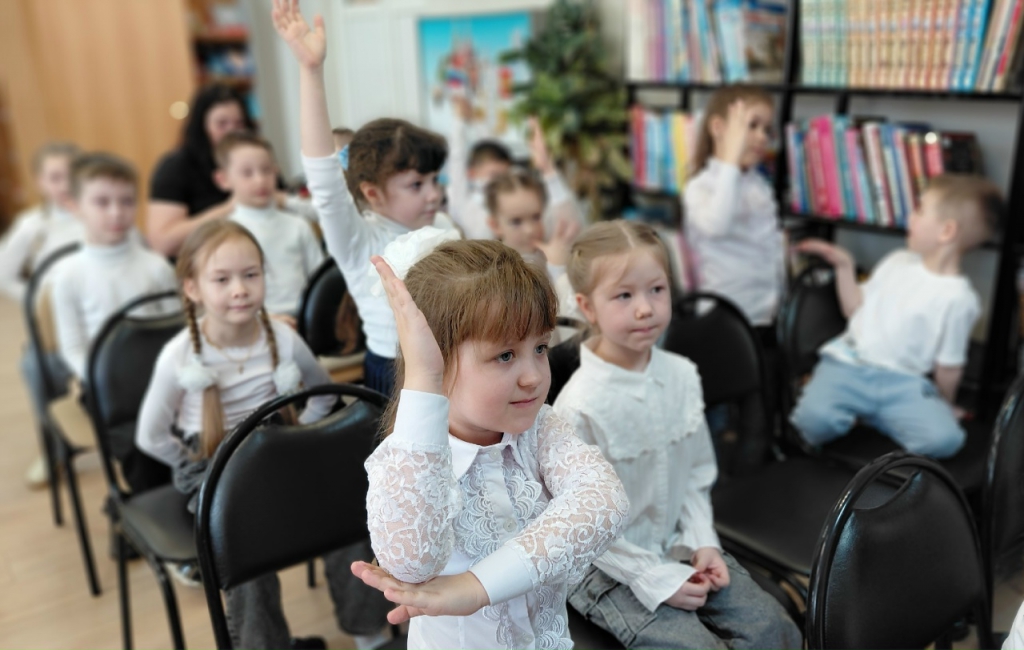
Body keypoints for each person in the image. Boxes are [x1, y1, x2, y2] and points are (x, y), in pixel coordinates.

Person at [349, 237, 629, 649]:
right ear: (437, 359)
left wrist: (476, 586)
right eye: (505, 356)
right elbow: (411, 564)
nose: (534, 376)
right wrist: (424, 379)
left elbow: (605, 502)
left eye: (540, 348)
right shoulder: (407, 461)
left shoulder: (540, 428)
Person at [136, 220, 392, 649]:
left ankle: (369, 632)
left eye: (250, 274)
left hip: (280, 451)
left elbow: (322, 392)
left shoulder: (283, 338)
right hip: (213, 462)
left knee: (350, 507)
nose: (240, 289)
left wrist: (304, 433)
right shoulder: (178, 356)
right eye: (222, 279)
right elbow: (151, 436)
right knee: (240, 541)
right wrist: (191, 461)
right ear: (193, 288)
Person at [552, 220, 802, 649]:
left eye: (657, 289)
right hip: (606, 567)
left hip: (675, 542)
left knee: (774, 630)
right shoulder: (578, 408)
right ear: (587, 307)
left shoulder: (682, 376)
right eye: (624, 296)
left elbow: (695, 476)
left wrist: (703, 542)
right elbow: (582, 529)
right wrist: (654, 578)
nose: (645, 309)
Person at [273, 0, 458, 397]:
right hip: (396, 377)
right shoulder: (359, 240)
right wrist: (311, 70)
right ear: (373, 193)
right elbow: (323, 174)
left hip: (453, 366)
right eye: (416, 185)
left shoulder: (442, 225)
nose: (434, 194)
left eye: (434, 180)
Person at [791, 174, 1004, 459]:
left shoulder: (959, 299)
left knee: (945, 441)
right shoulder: (897, 262)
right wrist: (844, 266)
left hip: (905, 383)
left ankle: (871, 416)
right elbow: (854, 309)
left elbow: (948, 368)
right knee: (811, 423)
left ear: (946, 231)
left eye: (920, 210)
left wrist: (943, 404)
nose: (910, 217)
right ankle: (866, 413)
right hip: (849, 365)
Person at [49, 152, 179, 492]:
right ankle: (153, 505)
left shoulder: (156, 267)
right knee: (139, 444)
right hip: (106, 388)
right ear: (75, 205)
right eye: (102, 202)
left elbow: (176, 331)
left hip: (161, 378)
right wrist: (100, 380)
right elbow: (73, 348)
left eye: (126, 201)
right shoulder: (68, 276)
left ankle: (196, 496)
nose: (116, 212)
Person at [683, 85, 783, 329]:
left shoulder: (759, 185)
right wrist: (730, 160)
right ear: (718, 128)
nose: (762, 137)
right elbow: (717, 225)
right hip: (723, 319)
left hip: (765, 315)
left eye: (766, 129)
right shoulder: (700, 187)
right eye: (752, 126)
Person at [214, 131, 324, 323]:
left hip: (305, 318)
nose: (260, 180)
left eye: (266, 170)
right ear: (224, 179)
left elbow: (319, 280)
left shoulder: (298, 225)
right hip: (253, 322)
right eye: (247, 173)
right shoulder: (225, 233)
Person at [448, 95, 580, 241]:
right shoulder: (465, 203)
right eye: (494, 175)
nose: (529, 229)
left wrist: (548, 169)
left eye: (506, 175)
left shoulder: (521, 200)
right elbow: (457, 158)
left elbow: (568, 229)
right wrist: (460, 121)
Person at [148, 84, 255, 257]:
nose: (232, 132)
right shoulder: (176, 167)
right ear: (202, 126)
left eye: (239, 123)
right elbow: (162, 243)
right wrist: (231, 207)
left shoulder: (255, 159)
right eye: (222, 124)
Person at [0, 142, 83, 302]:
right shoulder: (32, 224)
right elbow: (2, 273)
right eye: (55, 178)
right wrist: (40, 301)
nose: (65, 185)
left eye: (72, 176)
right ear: (40, 182)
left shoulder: (106, 215)